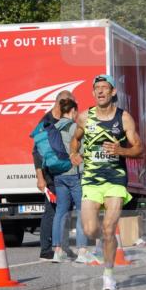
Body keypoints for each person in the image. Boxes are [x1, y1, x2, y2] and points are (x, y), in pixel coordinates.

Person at [70, 74, 144, 290]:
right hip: (91, 180)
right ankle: (106, 242)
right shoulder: (84, 117)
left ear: (113, 92)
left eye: (104, 87)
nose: (100, 91)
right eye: (97, 88)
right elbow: (75, 139)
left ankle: (108, 274)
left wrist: (121, 150)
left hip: (115, 180)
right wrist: (73, 153)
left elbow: (139, 149)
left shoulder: (124, 118)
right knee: (90, 230)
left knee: (109, 228)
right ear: (93, 93)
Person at [33, 90, 75, 260]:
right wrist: (40, 177)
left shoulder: (66, 119)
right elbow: (36, 152)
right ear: (59, 103)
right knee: (52, 210)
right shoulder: (46, 121)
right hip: (50, 172)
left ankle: (62, 247)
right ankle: (46, 250)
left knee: (65, 208)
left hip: (66, 171)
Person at [50, 97, 89, 263]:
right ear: (72, 111)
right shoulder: (75, 127)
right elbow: (85, 150)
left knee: (60, 212)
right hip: (75, 174)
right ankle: (82, 252)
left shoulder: (52, 128)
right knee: (82, 211)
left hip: (58, 174)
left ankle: (57, 251)